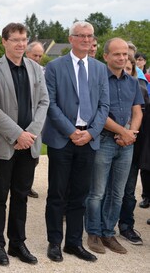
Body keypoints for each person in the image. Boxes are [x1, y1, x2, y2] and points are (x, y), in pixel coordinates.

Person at [43, 21, 110, 263]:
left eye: (89, 36)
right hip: (63, 139)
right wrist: (72, 131)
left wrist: (91, 133)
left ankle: (74, 242)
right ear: (70, 39)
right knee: (57, 194)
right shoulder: (54, 67)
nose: (85, 39)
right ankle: (54, 242)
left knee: (80, 195)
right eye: (80, 35)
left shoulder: (100, 69)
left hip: (89, 139)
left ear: (93, 40)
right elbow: (50, 103)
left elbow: (104, 106)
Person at [0, 23, 49, 267]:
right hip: (4, 144)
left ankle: (17, 242)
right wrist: (17, 134)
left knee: (21, 196)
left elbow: (44, 102)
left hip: (29, 144)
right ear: (4, 41)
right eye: (15, 39)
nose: (21, 44)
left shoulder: (36, 68)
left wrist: (30, 134)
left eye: (23, 39)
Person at [84, 38, 143, 255]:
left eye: (125, 55)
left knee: (117, 193)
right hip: (104, 141)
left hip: (127, 143)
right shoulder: (97, 80)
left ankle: (108, 233)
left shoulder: (132, 82)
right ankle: (93, 233)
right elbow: (97, 112)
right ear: (106, 56)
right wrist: (122, 131)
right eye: (116, 54)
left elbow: (137, 111)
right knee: (97, 192)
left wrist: (131, 134)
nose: (121, 58)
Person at [118, 54, 148, 246]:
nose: (126, 73)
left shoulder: (142, 90)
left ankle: (126, 225)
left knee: (128, 190)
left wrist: (131, 135)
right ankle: (101, 227)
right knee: (106, 189)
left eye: (129, 69)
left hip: (135, 146)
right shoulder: (109, 87)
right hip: (113, 141)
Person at [25, 41, 46, 199]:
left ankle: (28, 185)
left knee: (34, 157)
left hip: (37, 122)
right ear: (27, 53)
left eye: (40, 56)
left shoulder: (42, 71)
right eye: (35, 55)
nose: (37, 58)